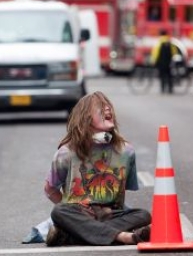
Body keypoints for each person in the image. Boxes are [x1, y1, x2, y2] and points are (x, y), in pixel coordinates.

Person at [44, 91, 151, 246]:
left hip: (111, 215)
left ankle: (74, 234)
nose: (108, 109)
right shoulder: (66, 152)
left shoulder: (127, 151)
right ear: (85, 118)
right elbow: (50, 190)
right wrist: (71, 209)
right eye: (101, 107)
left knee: (144, 215)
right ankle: (123, 237)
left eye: (108, 105)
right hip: (79, 213)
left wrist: (81, 225)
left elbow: (122, 193)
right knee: (59, 212)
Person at [151, 29, 177, 94]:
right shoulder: (169, 41)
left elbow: (155, 52)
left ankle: (163, 89)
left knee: (162, 75)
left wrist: (154, 60)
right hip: (168, 62)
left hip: (161, 62)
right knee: (169, 75)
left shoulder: (159, 42)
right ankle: (170, 89)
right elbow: (174, 51)